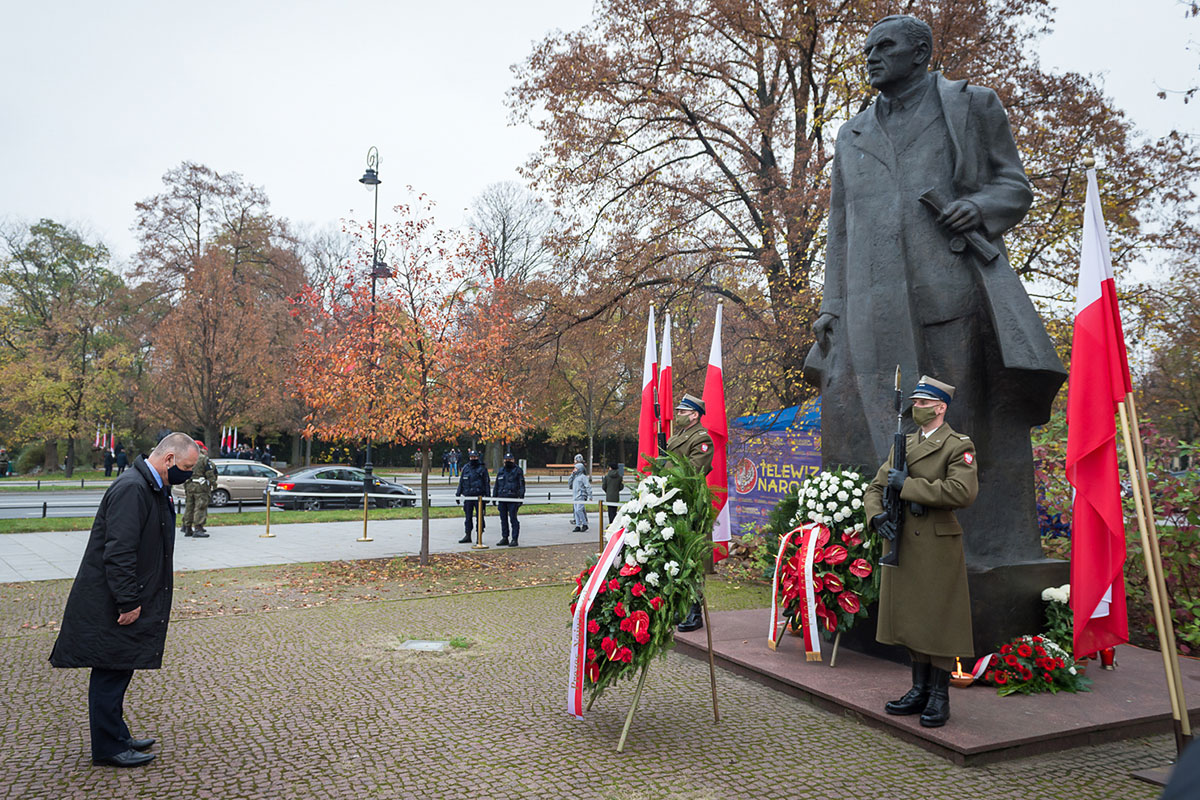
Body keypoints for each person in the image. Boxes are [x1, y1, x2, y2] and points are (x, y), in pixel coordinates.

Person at [802, 15, 1065, 590]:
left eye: (885, 47)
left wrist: (981, 208)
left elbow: (1014, 186)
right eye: (867, 49)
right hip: (870, 305)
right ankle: (879, 550)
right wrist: (831, 304)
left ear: (920, 53)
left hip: (949, 295)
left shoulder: (971, 106)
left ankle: (968, 553)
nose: (871, 57)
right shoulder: (852, 134)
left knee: (957, 425)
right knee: (874, 429)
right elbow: (840, 226)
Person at [48, 432, 200, 768]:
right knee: (110, 670)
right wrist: (128, 601)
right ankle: (108, 747)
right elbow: (119, 551)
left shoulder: (150, 487)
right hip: (114, 601)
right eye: (187, 467)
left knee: (118, 668)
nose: (188, 475)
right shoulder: (133, 488)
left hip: (125, 596)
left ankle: (117, 735)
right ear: (169, 459)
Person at [864, 375, 978, 728]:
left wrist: (909, 486)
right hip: (904, 542)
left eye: (924, 403)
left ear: (940, 407)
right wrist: (876, 516)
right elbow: (876, 487)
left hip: (936, 544)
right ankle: (919, 689)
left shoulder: (957, 445)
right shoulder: (906, 443)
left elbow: (962, 491)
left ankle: (939, 696)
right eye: (915, 402)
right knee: (912, 616)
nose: (917, 408)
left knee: (938, 619)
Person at [665, 393, 714, 632]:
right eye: (678, 411)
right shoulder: (678, 436)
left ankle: (694, 611)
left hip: (690, 504)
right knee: (676, 555)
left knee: (693, 558)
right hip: (673, 502)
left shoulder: (702, 438)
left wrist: (666, 476)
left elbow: (693, 470)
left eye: (683, 412)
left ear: (695, 415)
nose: (678, 415)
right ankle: (679, 606)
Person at [182, 441, 218, 538]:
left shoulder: (186, 458)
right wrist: (214, 484)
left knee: (189, 507)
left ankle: (187, 528)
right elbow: (209, 473)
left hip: (189, 485)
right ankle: (198, 528)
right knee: (200, 507)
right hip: (200, 487)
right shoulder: (203, 459)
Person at [455, 450, 490, 544]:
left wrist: (488, 496)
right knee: (468, 517)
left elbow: (486, 482)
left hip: (479, 497)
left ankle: (479, 536)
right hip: (468, 496)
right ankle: (468, 535)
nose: (473, 459)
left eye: (474, 457)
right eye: (471, 457)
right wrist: (458, 494)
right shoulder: (466, 468)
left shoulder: (482, 468)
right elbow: (461, 482)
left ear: (477, 457)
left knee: (480, 517)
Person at [493, 452, 526, 547]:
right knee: (503, 519)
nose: (508, 461)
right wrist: (494, 496)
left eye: (510, 460)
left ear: (513, 460)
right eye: (506, 460)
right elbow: (497, 484)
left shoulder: (518, 471)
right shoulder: (501, 471)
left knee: (513, 519)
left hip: (513, 498)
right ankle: (505, 537)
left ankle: (514, 539)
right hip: (502, 498)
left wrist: (521, 498)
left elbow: (521, 485)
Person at [568, 454, 590, 532]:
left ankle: (584, 524)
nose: (574, 469)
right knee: (576, 511)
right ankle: (577, 525)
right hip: (575, 496)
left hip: (581, 496)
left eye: (576, 468)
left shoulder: (583, 477)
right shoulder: (575, 477)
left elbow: (588, 486)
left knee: (579, 510)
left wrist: (589, 495)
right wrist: (572, 475)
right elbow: (569, 483)